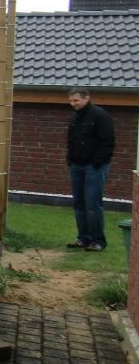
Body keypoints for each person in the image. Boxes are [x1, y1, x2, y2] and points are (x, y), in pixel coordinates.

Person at [66, 87, 116, 252]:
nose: (73, 104)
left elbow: (108, 142)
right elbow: (71, 141)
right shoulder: (74, 118)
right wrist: (70, 160)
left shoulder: (100, 116)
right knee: (79, 203)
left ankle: (98, 241)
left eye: (76, 100)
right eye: (71, 100)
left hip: (94, 167)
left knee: (92, 204)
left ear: (86, 98)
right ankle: (83, 238)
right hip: (76, 166)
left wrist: (97, 163)